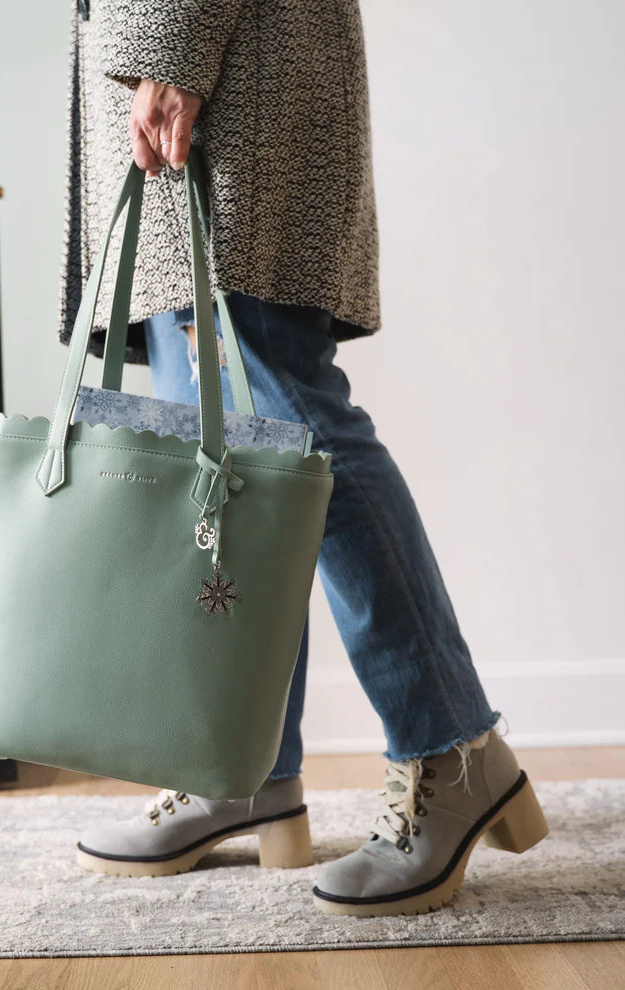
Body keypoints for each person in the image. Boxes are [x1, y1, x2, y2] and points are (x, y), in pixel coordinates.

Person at [57, 0, 548, 916]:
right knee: (224, 461)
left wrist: (171, 45)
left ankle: (453, 750)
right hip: (200, 80)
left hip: (229, 78)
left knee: (287, 426)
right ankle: (241, 767)